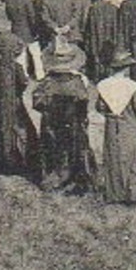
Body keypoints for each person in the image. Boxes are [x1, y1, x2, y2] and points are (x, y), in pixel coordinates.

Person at [33, 41, 94, 193]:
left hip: (50, 124)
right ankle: (71, 180)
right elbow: (84, 103)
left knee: (51, 150)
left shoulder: (46, 82)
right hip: (72, 124)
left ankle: (51, 179)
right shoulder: (76, 82)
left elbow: (37, 103)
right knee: (72, 151)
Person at [94, 50, 136, 204]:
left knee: (113, 158)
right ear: (126, 68)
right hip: (129, 124)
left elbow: (99, 107)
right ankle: (132, 195)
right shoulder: (132, 87)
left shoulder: (103, 85)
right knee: (135, 158)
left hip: (112, 126)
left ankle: (114, 194)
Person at [0, 19, 39, 181]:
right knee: (20, 126)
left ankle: (1, 157)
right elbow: (24, 82)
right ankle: (16, 158)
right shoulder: (16, 68)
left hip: (1, 102)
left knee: (1, 126)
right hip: (15, 100)